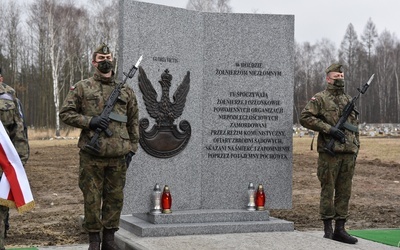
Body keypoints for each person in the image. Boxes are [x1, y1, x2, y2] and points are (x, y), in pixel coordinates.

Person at [59, 43, 139, 250]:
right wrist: (90, 122)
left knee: (115, 199)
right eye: (101, 58)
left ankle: (110, 240)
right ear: (94, 62)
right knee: (92, 199)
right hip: (91, 155)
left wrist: (132, 148)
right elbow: (65, 113)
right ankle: (94, 241)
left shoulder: (126, 90)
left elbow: (133, 121)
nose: (105, 61)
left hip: (118, 155)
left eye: (108, 57)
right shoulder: (82, 87)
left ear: (113, 60)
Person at [299, 63, 359, 244]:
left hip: (348, 153)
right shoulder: (320, 98)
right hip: (330, 153)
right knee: (328, 190)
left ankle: (341, 229)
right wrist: (329, 130)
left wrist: (356, 146)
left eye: (341, 77)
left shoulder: (348, 99)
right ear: (327, 78)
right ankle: (328, 229)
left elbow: (354, 128)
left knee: (344, 191)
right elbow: (305, 117)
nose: (339, 80)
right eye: (335, 77)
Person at [0, 68, 29, 250]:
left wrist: (20, 162)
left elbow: (19, 131)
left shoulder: (10, 97)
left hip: (2, 165)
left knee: (1, 213)